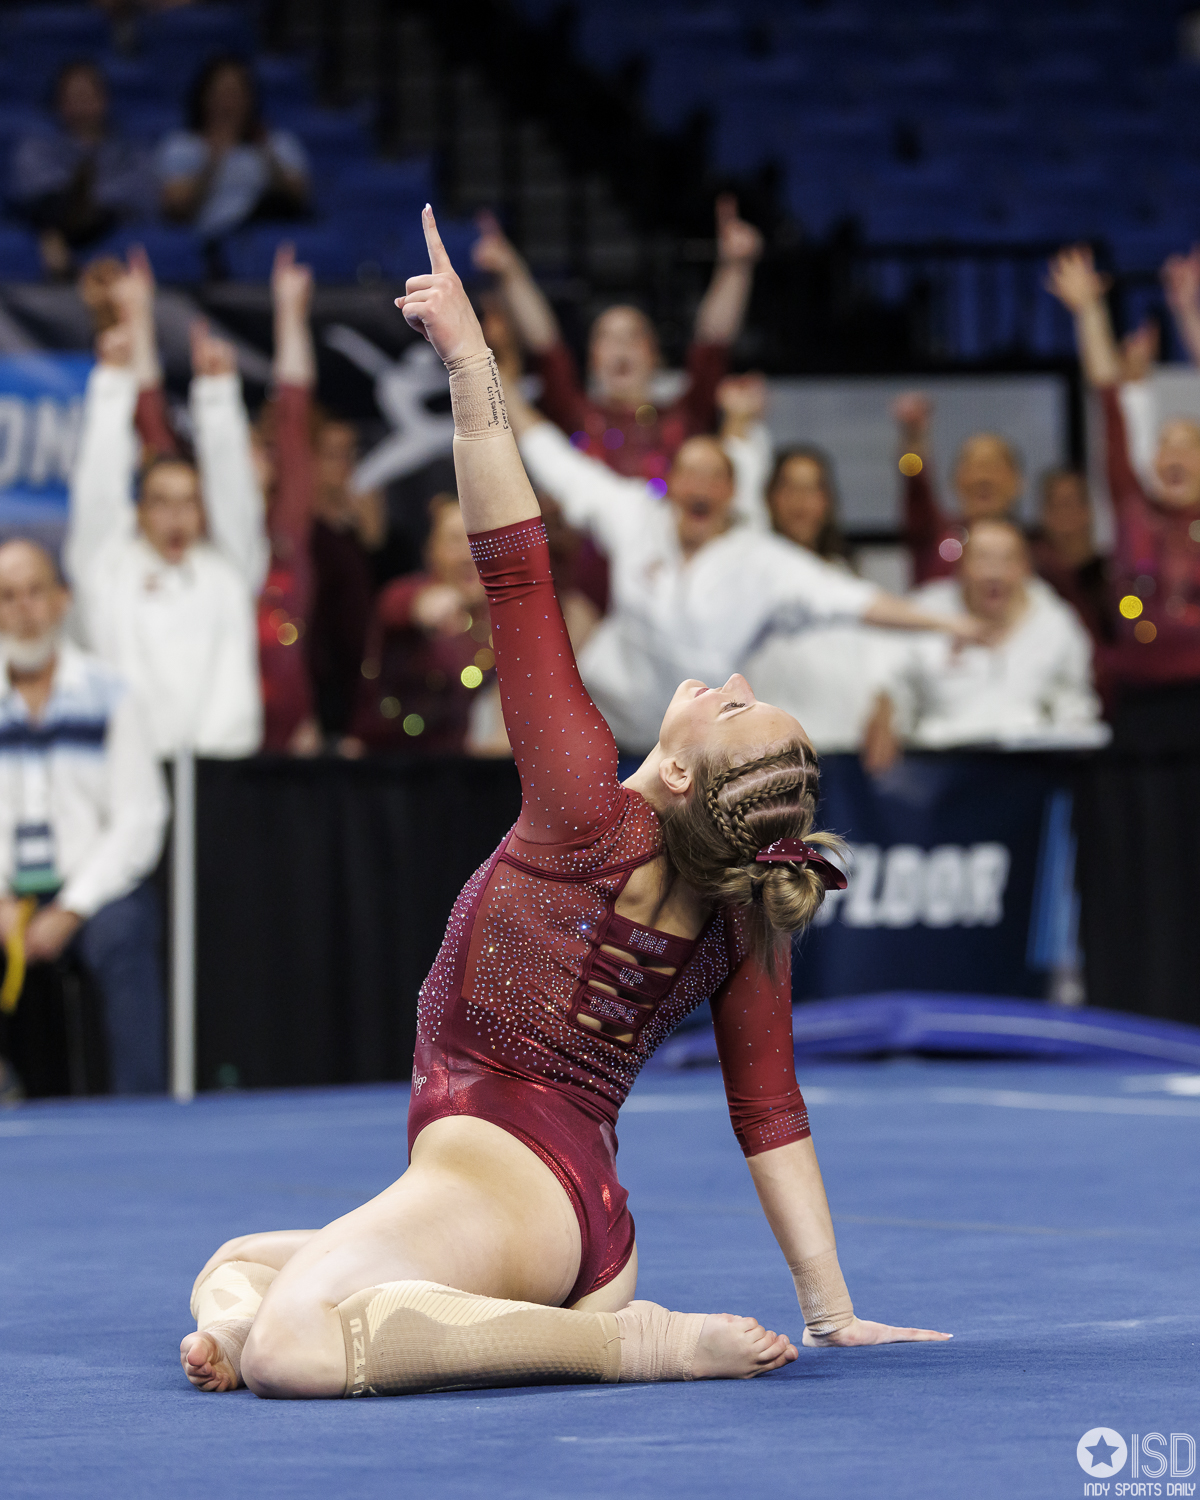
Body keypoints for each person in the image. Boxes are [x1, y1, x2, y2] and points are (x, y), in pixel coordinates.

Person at [179, 208, 950, 1402]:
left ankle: (628, 1343)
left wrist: (470, 365)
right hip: (554, 1203)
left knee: (290, 1347)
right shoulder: (742, 906)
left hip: (502, 1174)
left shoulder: (588, 803)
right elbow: (769, 1111)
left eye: (741, 709)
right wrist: (829, 1309)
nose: (733, 682)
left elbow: (515, 563)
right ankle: (543, 1311)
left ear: (684, 773)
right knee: (233, 1270)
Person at [507, 381, 985, 757]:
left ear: (732, 494)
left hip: (701, 751)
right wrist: (494, 384)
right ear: (671, 482)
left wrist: (950, 624)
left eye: (715, 476)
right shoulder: (634, 516)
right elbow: (556, 461)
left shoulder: (761, 560)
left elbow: (857, 602)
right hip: (612, 733)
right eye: (690, 472)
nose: (701, 484)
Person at [65, 250, 265, 759]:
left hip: (223, 773)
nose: (175, 515)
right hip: (127, 769)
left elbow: (235, 494)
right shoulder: (107, 568)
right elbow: (97, 487)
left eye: (187, 502)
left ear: (203, 511)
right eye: (160, 502)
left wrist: (218, 398)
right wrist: (112, 384)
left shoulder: (229, 570)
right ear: (138, 511)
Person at [0, 540, 167, 1094]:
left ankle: (141, 1110)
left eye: (34, 592)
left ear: (62, 599)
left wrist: (71, 907)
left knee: (124, 931)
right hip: (7, 895)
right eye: (7, 597)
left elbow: (139, 815)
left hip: (91, 893)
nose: (23, 609)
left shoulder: (111, 694)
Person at [473, 195, 762, 481]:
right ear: (593, 359)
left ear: (655, 356)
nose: (620, 348)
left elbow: (711, 346)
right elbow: (545, 347)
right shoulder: (573, 415)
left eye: (633, 337)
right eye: (607, 339)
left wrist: (735, 270)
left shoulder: (686, 417)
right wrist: (511, 273)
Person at [1046, 244, 1200, 738]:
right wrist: (1090, 311)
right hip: (1137, 702)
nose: (1175, 458)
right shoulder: (1133, 504)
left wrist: (1188, 313)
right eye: (1166, 448)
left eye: (1189, 448)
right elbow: (1108, 399)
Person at [715, 375, 897, 755]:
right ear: (770, 497)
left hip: (843, 751)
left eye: (812, 488)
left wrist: (884, 709)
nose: (800, 501)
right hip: (768, 755)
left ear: (827, 502)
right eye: (789, 488)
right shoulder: (752, 564)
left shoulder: (845, 576)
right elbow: (736, 492)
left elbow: (881, 663)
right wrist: (739, 420)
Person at [861, 519, 1107, 770]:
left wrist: (1073, 734)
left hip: (1028, 766)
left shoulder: (1056, 621)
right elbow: (889, 682)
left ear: (1025, 567)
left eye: (1007, 560)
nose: (994, 573)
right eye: (982, 559)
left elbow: (1074, 700)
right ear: (961, 565)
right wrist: (885, 709)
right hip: (939, 767)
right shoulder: (925, 614)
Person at [348, 495, 499, 756]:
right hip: (387, 763)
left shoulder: (496, 620)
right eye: (455, 541)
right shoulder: (406, 593)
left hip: (459, 768)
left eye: (479, 541)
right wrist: (427, 606)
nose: (468, 555)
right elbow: (403, 606)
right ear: (431, 551)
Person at [252, 245, 321, 755]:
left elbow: (295, 420)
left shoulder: (286, 531)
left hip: (292, 730)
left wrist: (288, 312)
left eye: (254, 449)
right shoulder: (201, 542)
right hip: (219, 730)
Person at [9, 60, 153, 279]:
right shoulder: (36, 149)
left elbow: (140, 196)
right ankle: (59, 238)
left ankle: (58, 239)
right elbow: (32, 194)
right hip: (50, 213)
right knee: (46, 206)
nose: (81, 105)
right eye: (72, 98)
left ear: (104, 99)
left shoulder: (132, 153)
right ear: (58, 103)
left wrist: (90, 200)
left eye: (87, 96)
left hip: (110, 222)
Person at [157, 56, 309, 241]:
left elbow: (300, 199)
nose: (229, 103)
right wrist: (213, 160)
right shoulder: (182, 145)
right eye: (221, 94)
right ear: (204, 97)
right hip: (209, 243)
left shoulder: (277, 143)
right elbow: (176, 208)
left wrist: (266, 154)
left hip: (268, 239)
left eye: (236, 94)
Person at [307, 420, 386, 745]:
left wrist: (372, 536)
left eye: (351, 454)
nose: (345, 465)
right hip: (317, 686)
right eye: (333, 454)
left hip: (361, 680)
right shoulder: (301, 535)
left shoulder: (358, 528)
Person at [892, 393, 1025, 584]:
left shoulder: (1038, 555)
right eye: (973, 467)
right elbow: (915, 481)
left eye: (994, 467)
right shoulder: (934, 537)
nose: (983, 478)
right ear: (954, 480)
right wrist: (913, 438)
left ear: (1018, 482)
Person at [1030, 469, 1112, 646]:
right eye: (1056, 505)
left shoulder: (1112, 574)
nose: (1065, 513)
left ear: (1088, 510)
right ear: (1043, 513)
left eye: (1071, 503)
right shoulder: (1033, 577)